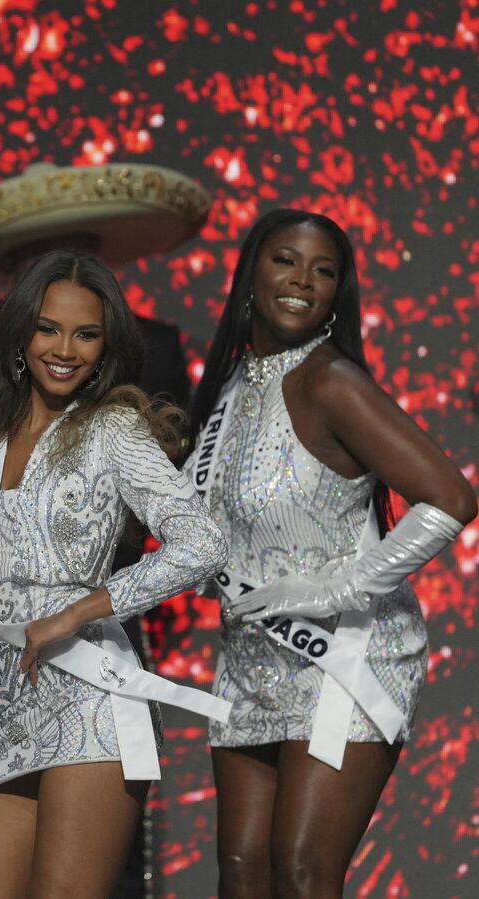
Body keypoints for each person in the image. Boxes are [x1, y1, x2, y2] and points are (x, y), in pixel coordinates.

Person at [0, 249, 229, 899]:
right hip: (9, 710)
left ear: (106, 348)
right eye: (49, 327)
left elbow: (203, 542)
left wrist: (82, 609)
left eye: (86, 333)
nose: (65, 348)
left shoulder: (114, 430)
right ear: (21, 331)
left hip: (93, 703)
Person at [184, 209, 476, 899]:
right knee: (242, 872)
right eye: (285, 259)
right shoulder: (229, 387)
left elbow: (451, 499)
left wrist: (334, 589)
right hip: (252, 655)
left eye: (323, 270)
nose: (302, 280)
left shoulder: (330, 381)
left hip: (343, 652)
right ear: (251, 271)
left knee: (303, 869)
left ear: (337, 293)